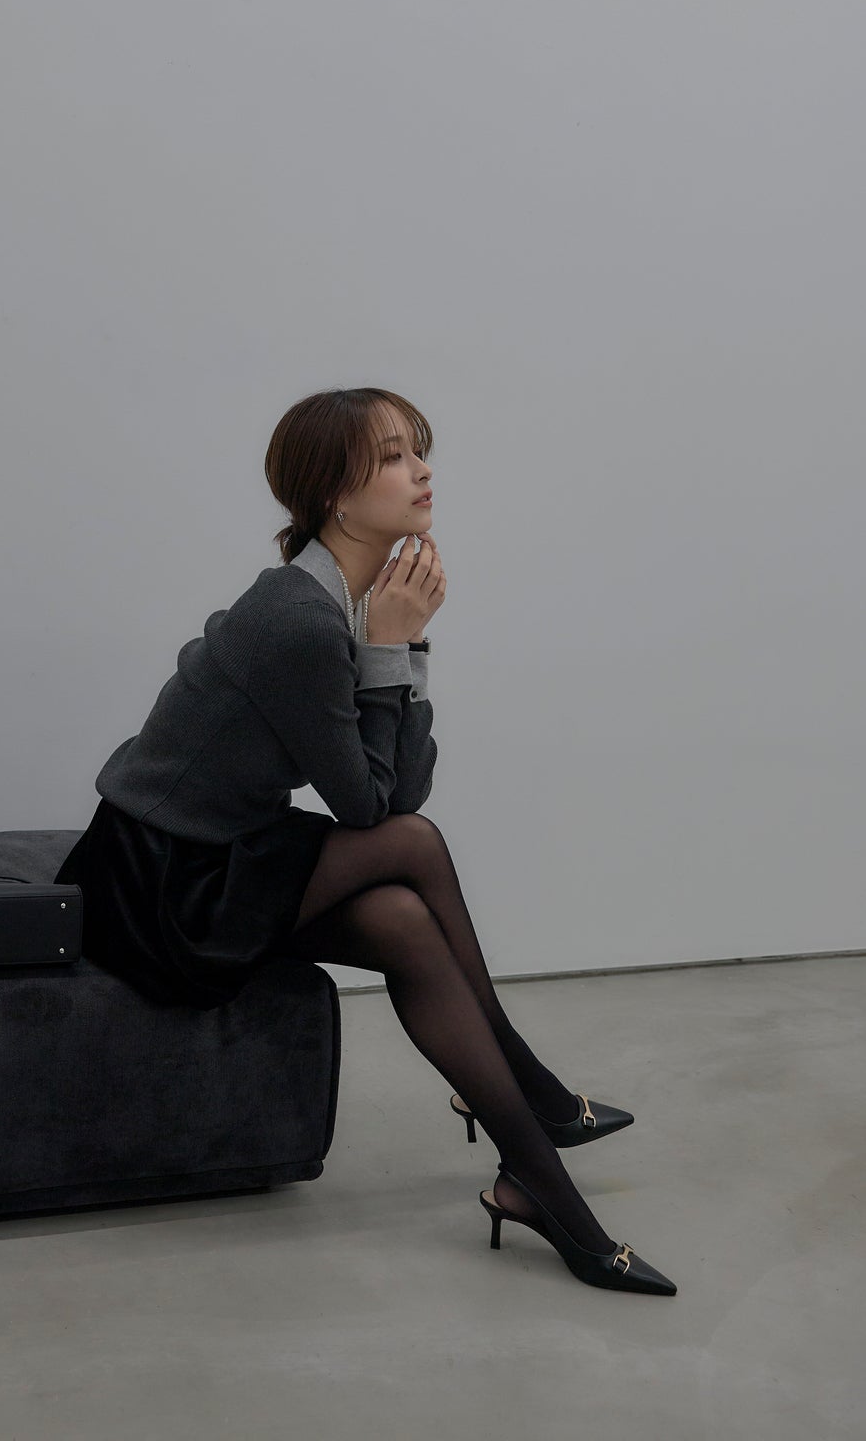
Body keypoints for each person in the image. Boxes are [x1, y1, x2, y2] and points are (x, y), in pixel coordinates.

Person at [55, 385, 675, 1294]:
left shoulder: (352, 600)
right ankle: (532, 1096)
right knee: (412, 845)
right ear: (334, 496)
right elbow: (372, 810)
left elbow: (397, 786)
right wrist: (393, 648)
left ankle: (535, 1178)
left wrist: (401, 645)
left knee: (404, 922)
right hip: (160, 887)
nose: (421, 471)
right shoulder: (299, 618)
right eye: (392, 456)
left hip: (224, 855)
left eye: (419, 450)